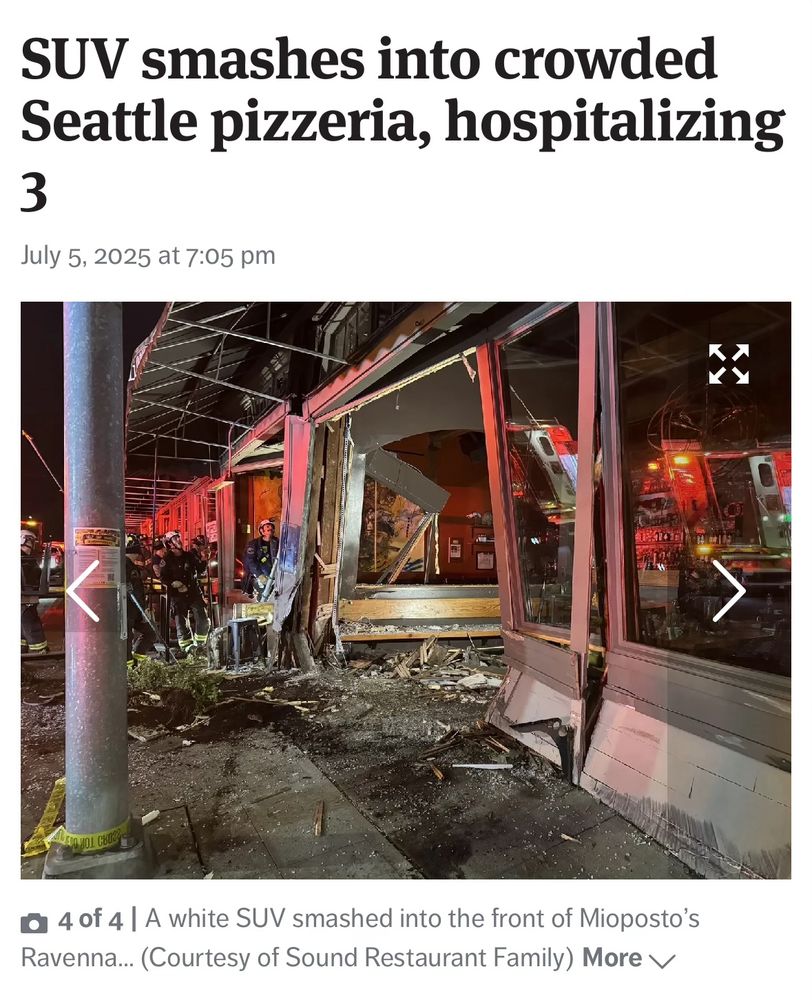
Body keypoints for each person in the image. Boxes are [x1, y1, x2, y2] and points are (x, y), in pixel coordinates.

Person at [161, 530, 210, 655]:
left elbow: (200, 569)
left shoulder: (189, 556)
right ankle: (186, 648)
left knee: (203, 619)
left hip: (193, 591)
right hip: (178, 595)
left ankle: (200, 645)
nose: (179, 541)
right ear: (169, 544)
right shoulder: (167, 560)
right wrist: (173, 583)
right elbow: (163, 578)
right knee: (181, 622)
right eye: (175, 539)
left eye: (179, 538)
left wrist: (205, 558)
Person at [125, 535, 155, 668]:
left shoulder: (131, 566)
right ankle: (128, 667)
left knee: (150, 632)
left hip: (136, 610)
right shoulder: (124, 565)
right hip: (127, 610)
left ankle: (137, 659)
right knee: (126, 638)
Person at [21, 529, 48, 655]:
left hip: (26, 598)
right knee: (32, 626)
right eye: (31, 541)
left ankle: (22, 651)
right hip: (25, 599)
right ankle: (41, 653)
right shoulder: (23, 558)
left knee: (22, 627)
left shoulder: (25, 558)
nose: (33, 545)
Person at [242, 518, 279, 598]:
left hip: (275, 576)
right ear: (262, 531)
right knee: (264, 598)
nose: (270, 529)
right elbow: (250, 561)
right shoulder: (254, 544)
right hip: (259, 578)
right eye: (268, 527)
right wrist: (259, 575)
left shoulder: (277, 542)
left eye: (272, 528)